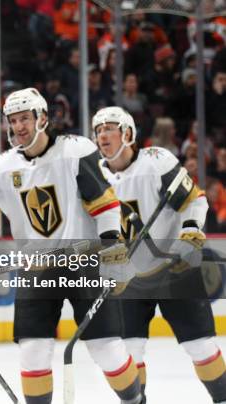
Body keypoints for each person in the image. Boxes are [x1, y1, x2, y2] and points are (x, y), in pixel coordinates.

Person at [0, 88, 144, 404]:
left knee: (107, 350)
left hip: (83, 262)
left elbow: (104, 203)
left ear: (42, 119)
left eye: (25, 119)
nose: (19, 127)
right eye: (13, 120)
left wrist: (113, 248)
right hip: (35, 268)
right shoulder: (1, 169)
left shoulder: (75, 150)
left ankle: (136, 401)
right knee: (32, 350)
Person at [94, 106, 226, 402]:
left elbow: (195, 200)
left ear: (127, 133)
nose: (102, 134)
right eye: (98, 130)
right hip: (129, 279)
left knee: (200, 346)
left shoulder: (157, 162)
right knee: (129, 350)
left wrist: (190, 231)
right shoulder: (95, 176)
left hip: (174, 270)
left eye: (109, 128)